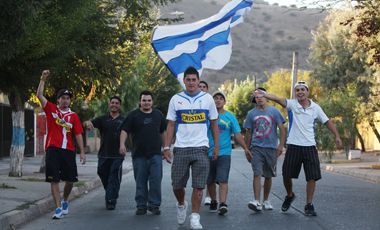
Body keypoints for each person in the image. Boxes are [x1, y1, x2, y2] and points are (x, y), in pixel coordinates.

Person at [254, 81, 342, 216]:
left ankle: (309, 204)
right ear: (295, 93)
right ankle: (289, 195)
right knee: (287, 175)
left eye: (303, 89)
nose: (300, 92)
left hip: (310, 146)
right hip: (293, 145)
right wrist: (264, 94)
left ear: (308, 92)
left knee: (312, 176)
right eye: (297, 90)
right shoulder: (292, 104)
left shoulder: (316, 108)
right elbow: (278, 99)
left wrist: (337, 136)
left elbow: (327, 121)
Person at [163, 67, 219, 229]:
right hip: (180, 148)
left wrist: (215, 146)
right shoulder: (176, 99)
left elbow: (214, 124)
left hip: (201, 147)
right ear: (184, 81)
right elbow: (171, 124)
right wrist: (166, 147)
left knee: (199, 185)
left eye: (194, 80)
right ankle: (181, 204)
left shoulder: (207, 99)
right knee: (177, 185)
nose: (191, 82)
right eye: (188, 80)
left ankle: (195, 216)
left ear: (198, 81)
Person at [36, 70, 86, 219]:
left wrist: (82, 151)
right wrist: (43, 79)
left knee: (70, 180)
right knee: (54, 179)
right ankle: (58, 208)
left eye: (67, 98)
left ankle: (65, 200)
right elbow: (39, 95)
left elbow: (77, 134)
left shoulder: (73, 116)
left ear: (70, 101)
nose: (65, 100)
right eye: (62, 98)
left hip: (68, 150)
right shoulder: (51, 109)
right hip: (53, 149)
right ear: (58, 100)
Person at [119, 91, 166, 215]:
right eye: (144, 100)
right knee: (140, 181)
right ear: (140, 101)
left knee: (156, 180)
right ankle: (141, 205)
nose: (146, 103)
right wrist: (122, 144)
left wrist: (166, 148)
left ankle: (154, 205)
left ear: (152, 102)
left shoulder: (158, 115)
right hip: (139, 155)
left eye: (149, 100)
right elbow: (124, 130)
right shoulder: (133, 115)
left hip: (156, 154)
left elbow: (163, 132)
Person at [207, 91, 252, 215]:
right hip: (208, 153)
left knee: (223, 179)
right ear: (212, 101)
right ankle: (213, 200)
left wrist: (245, 148)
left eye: (221, 98)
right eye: (215, 98)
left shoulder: (230, 117)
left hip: (224, 153)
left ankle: (223, 203)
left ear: (224, 102)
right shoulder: (206, 116)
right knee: (209, 181)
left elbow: (237, 134)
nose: (218, 100)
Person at [244, 87, 286, 212]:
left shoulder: (274, 111)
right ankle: (257, 201)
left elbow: (282, 129)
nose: (259, 98)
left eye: (261, 95)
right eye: (257, 97)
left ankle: (266, 200)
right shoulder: (251, 114)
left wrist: (281, 146)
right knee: (257, 173)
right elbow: (249, 132)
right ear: (254, 99)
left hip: (271, 148)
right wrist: (247, 149)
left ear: (266, 96)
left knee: (268, 176)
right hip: (256, 148)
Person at [83, 96, 125, 210]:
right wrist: (87, 123)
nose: (114, 105)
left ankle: (111, 200)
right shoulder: (102, 119)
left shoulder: (124, 120)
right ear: (109, 104)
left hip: (118, 155)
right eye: (112, 103)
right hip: (104, 154)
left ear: (119, 106)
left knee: (114, 177)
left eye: (117, 103)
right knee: (101, 172)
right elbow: (89, 123)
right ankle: (110, 192)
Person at [198, 80, 212, 206]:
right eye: (200, 87)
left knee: (210, 171)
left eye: (204, 87)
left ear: (207, 89)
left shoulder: (209, 102)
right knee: (201, 171)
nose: (201, 88)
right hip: (198, 143)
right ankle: (200, 194)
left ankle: (208, 195)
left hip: (210, 142)